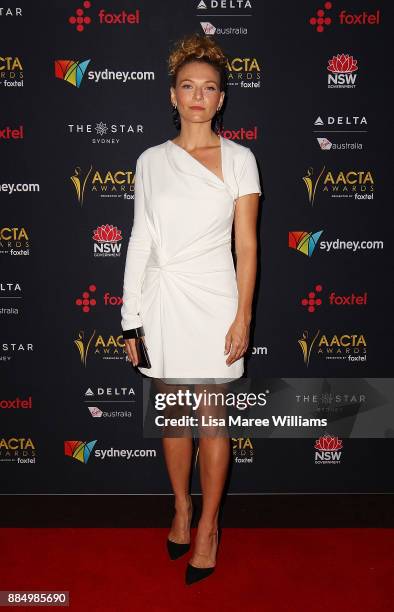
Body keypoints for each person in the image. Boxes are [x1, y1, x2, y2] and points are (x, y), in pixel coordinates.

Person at [121, 32, 262, 585]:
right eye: (188, 86)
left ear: (221, 99)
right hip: (161, 301)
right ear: (173, 96)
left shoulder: (240, 159)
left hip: (214, 301)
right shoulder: (150, 161)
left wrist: (243, 315)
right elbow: (140, 241)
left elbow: (247, 245)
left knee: (211, 419)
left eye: (209, 88)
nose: (198, 96)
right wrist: (130, 317)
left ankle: (208, 526)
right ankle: (180, 507)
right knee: (174, 417)